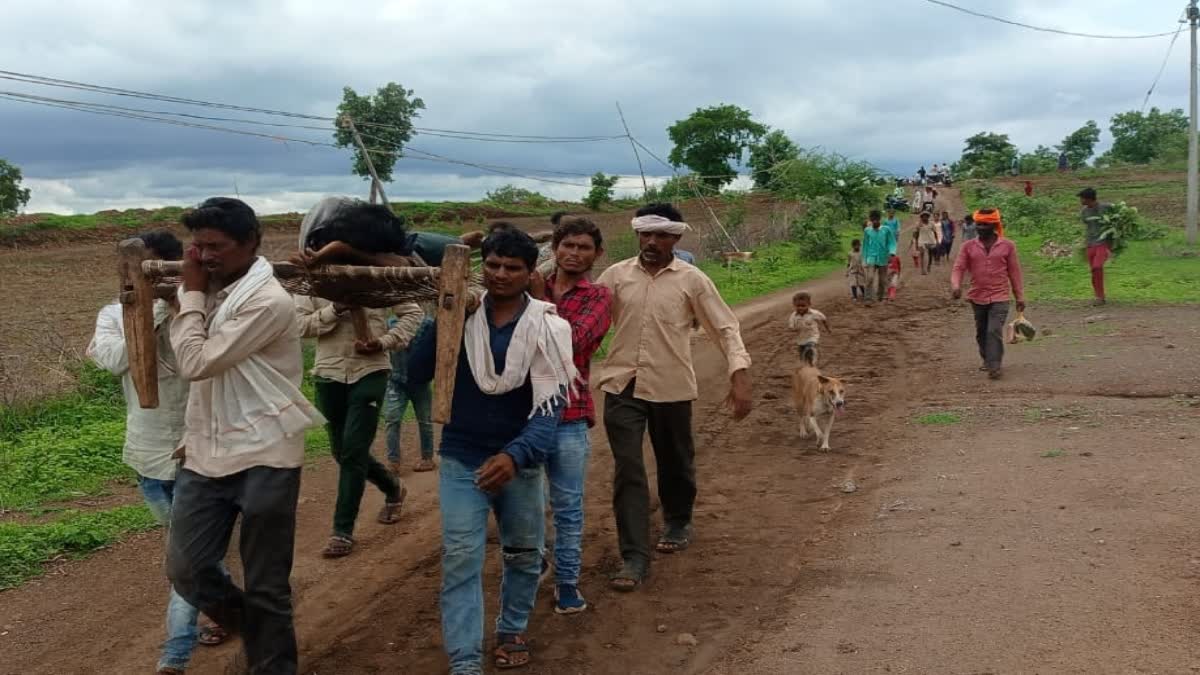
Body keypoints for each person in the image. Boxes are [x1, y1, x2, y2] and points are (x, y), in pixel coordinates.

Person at [166, 197, 325, 675]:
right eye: (198, 247)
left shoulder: (267, 300)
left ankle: (272, 665)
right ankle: (258, 632)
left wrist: (190, 297)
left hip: (265, 452)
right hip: (205, 450)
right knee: (186, 570)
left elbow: (195, 362)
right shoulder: (213, 288)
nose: (207, 257)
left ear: (251, 242)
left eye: (216, 246)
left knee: (266, 583)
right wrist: (192, 293)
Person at [407, 224, 575, 673]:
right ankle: (465, 660)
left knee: (522, 552)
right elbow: (415, 373)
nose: (500, 274)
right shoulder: (462, 314)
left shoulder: (549, 327)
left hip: (518, 462)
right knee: (461, 556)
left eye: (512, 268)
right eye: (493, 265)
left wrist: (515, 456)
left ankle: (511, 629)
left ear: (529, 272)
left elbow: (550, 409)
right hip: (462, 456)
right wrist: (445, 315)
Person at [87, 230, 227, 675]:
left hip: (198, 450)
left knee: (184, 555)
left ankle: (175, 653)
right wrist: (149, 310)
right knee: (193, 553)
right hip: (147, 454)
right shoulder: (115, 314)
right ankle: (231, 610)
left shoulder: (206, 310)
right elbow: (110, 358)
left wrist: (182, 305)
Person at [596, 203, 753, 592]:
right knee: (628, 469)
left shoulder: (692, 280)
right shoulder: (615, 277)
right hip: (622, 386)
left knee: (675, 460)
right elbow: (587, 322)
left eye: (661, 235)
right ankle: (634, 556)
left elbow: (725, 327)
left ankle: (679, 519)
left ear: (676, 238)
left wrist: (739, 374)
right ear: (637, 235)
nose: (652, 242)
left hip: (671, 386)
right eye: (646, 234)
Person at [293, 199, 425, 558]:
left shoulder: (378, 275)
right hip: (328, 372)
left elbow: (412, 311)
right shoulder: (314, 279)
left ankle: (342, 531)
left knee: (352, 451)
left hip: (372, 369)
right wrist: (333, 310)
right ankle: (393, 488)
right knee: (340, 451)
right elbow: (300, 324)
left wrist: (384, 342)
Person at [532, 216, 613, 614]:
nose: (574, 253)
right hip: (524, 413)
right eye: (568, 245)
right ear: (555, 248)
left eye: (584, 247)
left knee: (567, 505)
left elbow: (574, 344)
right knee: (527, 504)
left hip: (569, 414)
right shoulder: (532, 283)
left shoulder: (598, 297)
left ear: (597, 254)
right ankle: (536, 562)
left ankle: (567, 581)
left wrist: (533, 305)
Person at [951, 212, 1026, 380]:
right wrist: (956, 286)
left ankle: (995, 365)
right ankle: (987, 359)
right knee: (981, 331)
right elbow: (958, 268)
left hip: (1000, 296)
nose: (980, 228)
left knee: (993, 330)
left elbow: (1014, 272)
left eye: (985, 224)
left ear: (994, 226)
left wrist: (1019, 296)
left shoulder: (1008, 246)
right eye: (978, 224)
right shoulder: (968, 246)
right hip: (977, 296)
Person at [384, 315, 436, 473]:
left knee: (425, 421)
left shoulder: (427, 324)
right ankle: (393, 462)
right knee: (392, 419)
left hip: (419, 381)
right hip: (396, 379)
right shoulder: (390, 323)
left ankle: (427, 458)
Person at [1078, 188, 1112, 306]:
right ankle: (1099, 297)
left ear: (1088, 198)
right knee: (1093, 270)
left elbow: (1119, 214)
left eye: (1082, 198)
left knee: (1097, 267)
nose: (1080, 200)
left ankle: (1100, 296)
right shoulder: (1084, 212)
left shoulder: (1106, 207)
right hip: (1090, 243)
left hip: (1103, 243)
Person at [861, 210, 898, 304]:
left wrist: (892, 253)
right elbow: (865, 245)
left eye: (876, 220)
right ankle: (868, 298)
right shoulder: (867, 231)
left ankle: (880, 296)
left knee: (882, 280)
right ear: (871, 220)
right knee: (869, 278)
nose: (875, 222)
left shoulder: (886, 230)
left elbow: (892, 242)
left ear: (879, 220)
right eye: (873, 220)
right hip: (871, 257)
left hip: (883, 257)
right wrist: (864, 260)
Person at [788, 291, 831, 365]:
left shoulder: (814, 313)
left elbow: (823, 319)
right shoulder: (793, 316)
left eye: (803, 305)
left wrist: (828, 329)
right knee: (802, 356)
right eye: (798, 306)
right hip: (801, 338)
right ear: (794, 305)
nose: (800, 308)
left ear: (809, 304)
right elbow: (791, 326)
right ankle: (806, 368)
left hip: (812, 336)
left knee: (810, 347)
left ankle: (813, 359)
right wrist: (792, 329)